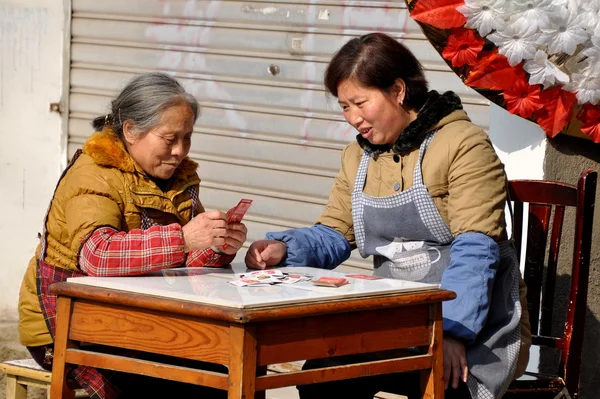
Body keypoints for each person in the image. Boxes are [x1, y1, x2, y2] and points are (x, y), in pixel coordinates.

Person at [246, 33, 531, 399]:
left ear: (398, 90)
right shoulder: (358, 157)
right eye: (344, 107)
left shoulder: (464, 145)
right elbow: (335, 232)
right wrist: (284, 250)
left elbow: (476, 250)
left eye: (360, 103)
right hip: (396, 323)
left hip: (475, 326)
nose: (353, 118)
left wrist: (453, 331)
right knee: (323, 377)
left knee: (452, 387)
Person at [18, 72, 246, 398]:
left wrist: (218, 244)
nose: (180, 150)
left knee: (223, 370)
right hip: (71, 324)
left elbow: (188, 261)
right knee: (165, 382)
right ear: (131, 131)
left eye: (188, 138)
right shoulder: (95, 173)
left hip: (137, 319)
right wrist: (183, 238)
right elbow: (97, 254)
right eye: (169, 139)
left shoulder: (178, 178)